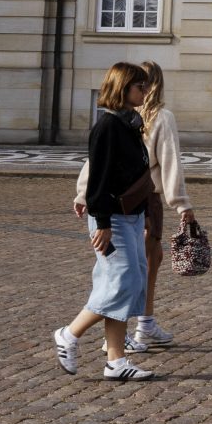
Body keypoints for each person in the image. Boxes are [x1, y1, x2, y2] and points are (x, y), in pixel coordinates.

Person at [72, 61, 196, 352]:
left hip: (126, 201)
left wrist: (81, 193)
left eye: (144, 84)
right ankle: (138, 326)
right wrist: (181, 203)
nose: (143, 90)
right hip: (141, 200)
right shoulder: (150, 118)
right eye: (139, 85)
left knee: (131, 268)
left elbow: (94, 164)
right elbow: (170, 164)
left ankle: (124, 336)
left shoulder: (128, 117)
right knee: (137, 269)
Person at [53, 62, 156, 381]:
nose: (145, 91)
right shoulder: (108, 126)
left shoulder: (129, 123)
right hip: (112, 217)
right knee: (122, 281)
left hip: (132, 216)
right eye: (140, 86)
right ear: (123, 88)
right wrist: (101, 222)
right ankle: (69, 334)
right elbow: (98, 176)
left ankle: (116, 361)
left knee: (131, 281)